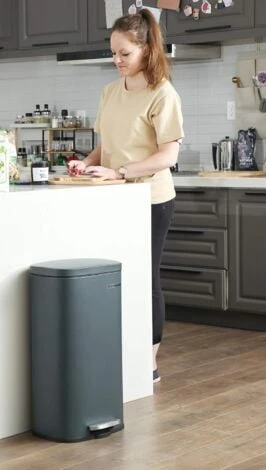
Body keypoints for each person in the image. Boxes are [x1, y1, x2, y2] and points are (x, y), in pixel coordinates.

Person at [68, 8, 184, 384]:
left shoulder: (162, 93)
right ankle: (117, 352)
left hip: (150, 199)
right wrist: (85, 164)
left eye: (124, 53)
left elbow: (168, 155)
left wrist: (119, 172)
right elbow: (108, 145)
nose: (117, 60)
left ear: (147, 50)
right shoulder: (110, 92)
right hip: (112, 199)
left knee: (144, 277)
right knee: (112, 276)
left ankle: (148, 362)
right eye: (113, 53)